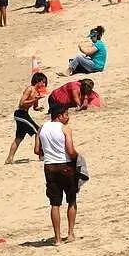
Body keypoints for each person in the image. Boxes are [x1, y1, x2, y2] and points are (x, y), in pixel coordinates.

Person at [36, 104, 78, 246]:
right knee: (71, 200)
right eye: (66, 115)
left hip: (49, 167)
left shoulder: (41, 128)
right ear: (59, 116)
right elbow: (70, 150)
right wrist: (78, 157)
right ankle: (70, 233)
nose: (68, 117)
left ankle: (57, 238)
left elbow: (37, 150)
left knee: (55, 203)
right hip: (65, 165)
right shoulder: (65, 129)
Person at [7, 71, 48, 163]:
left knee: (19, 137)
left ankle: (9, 158)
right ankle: (39, 153)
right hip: (20, 114)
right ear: (38, 81)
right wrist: (34, 99)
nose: (44, 85)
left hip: (25, 114)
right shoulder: (30, 89)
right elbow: (21, 103)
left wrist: (38, 107)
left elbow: (35, 107)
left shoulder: (37, 92)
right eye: (43, 82)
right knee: (38, 131)